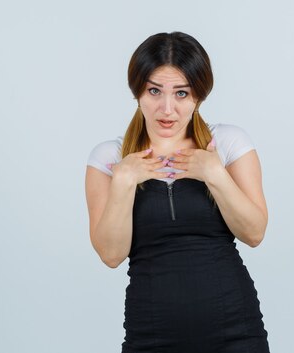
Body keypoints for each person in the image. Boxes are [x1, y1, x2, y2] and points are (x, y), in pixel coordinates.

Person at [85, 31, 270, 352]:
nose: (166, 108)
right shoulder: (109, 159)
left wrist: (214, 175)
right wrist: (125, 181)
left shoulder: (228, 143)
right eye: (154, 91)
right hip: (151, 335)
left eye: (181, 93)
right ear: (138, 93)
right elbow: (111, 255)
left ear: (198, 96)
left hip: (235, 331)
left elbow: (254, 234)